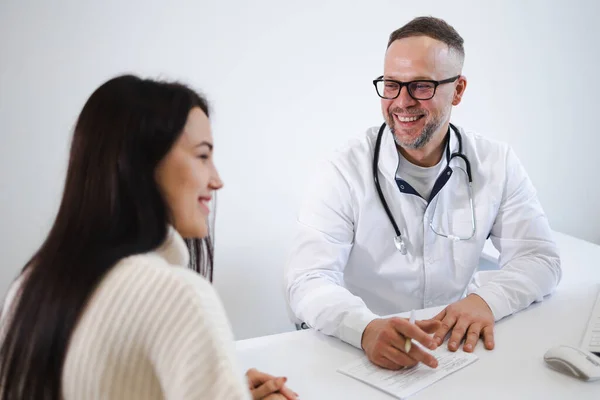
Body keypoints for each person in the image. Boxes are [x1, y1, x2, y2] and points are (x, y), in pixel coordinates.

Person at [285, 16, 562, 371]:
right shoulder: (342, 170)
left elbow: (541, 258)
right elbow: (307, 279)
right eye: (391, 84)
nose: (401, 102)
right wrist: (364, 328)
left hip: (450, 349)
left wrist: (486, 301)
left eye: (420, 86)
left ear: (458, 90)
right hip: (355, 350)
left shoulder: (496, 163)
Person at [0, 75, 297, 400]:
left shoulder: (30, 284)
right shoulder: (178, 295)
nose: (217, 180)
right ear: (141, 164)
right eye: (202, 156)